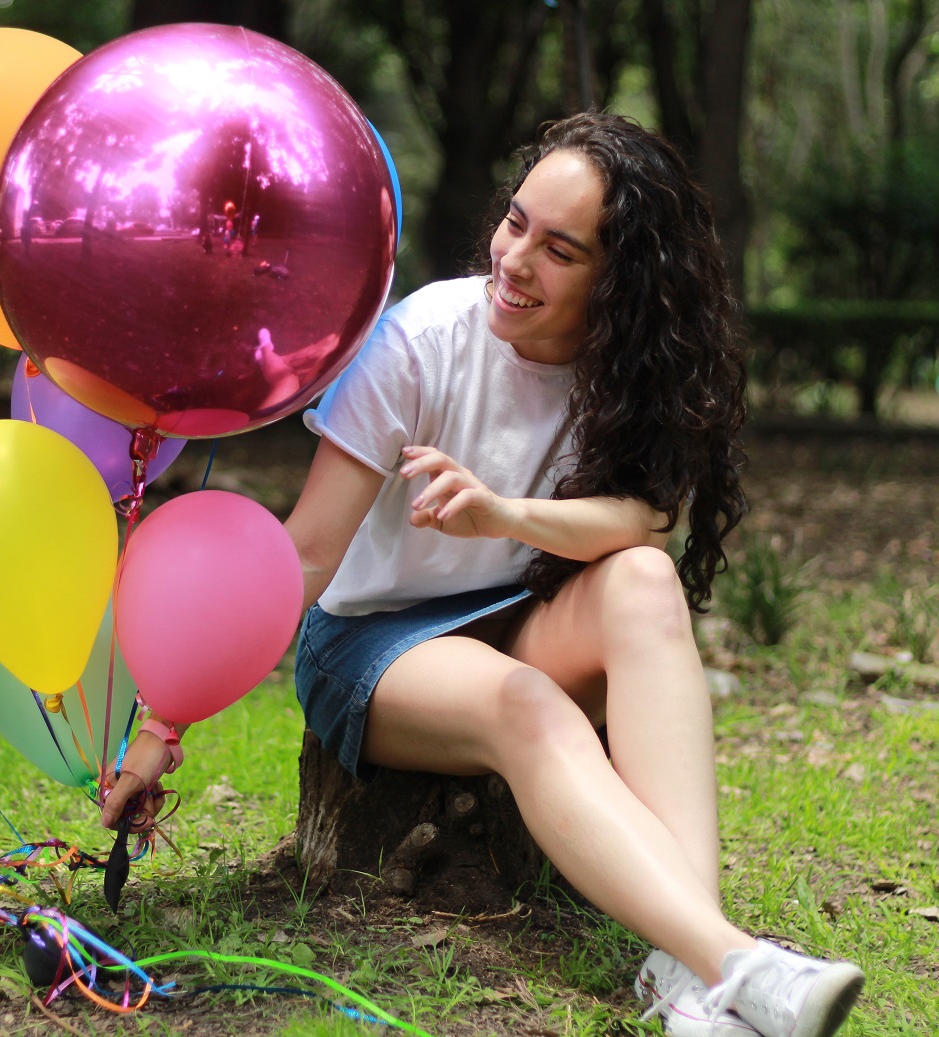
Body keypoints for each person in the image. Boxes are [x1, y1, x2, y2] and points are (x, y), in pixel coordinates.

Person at [103, 113, 865, 1037]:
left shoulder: (628, 375)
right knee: (529, 707)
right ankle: (735, 963)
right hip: (370, 643)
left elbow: (642, 521)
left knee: (644, 581)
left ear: (622, 284)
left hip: (514, 611)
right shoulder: (418, 341)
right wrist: (165, 719)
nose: (515, 259)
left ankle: (689, 969)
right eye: (515, 222)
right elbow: (305, 556)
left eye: (560, 249)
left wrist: (504, 513)